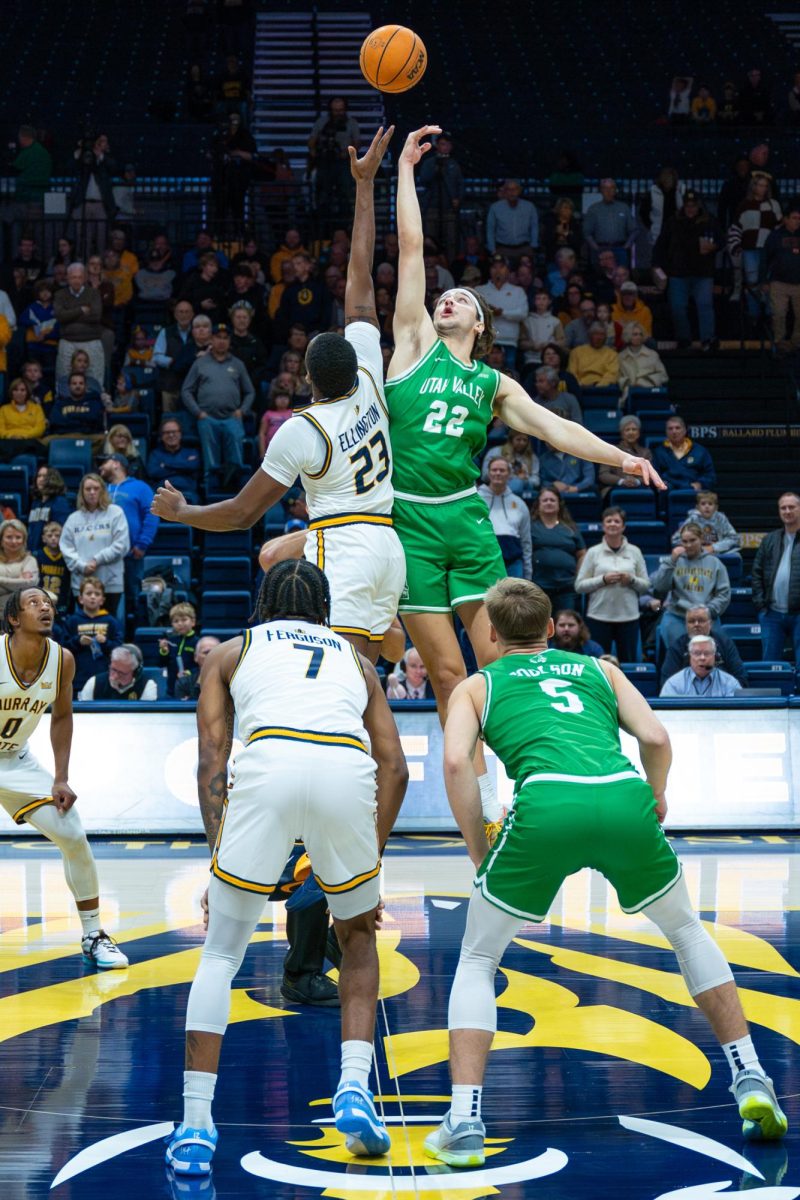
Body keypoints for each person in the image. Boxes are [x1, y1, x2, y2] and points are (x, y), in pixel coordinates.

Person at [425, 577, 787, 1167]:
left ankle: (464, 1119)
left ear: (491, 633)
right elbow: (657, 737)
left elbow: (454, 762)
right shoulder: (602, 669)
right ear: (549, 628)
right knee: (688, 932)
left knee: (477, 957)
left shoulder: (476, 685)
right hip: (622, 795)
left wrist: (476, 846)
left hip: (547, 805)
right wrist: (658, 794)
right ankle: (750, 1075)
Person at [384, 126, 661, 831]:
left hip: (466, 519)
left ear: (481, 323)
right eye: (443, 296)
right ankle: (480, 819)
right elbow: (411, 250)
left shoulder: (493, 382)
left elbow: (557, 428)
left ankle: (523, 785)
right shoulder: (411, 346)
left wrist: (622, 458)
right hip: (410, 520)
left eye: (462, 300)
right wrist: (406, 172)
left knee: (499, 668)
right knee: (448, 679)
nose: (447, 299)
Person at [164, 561, 408, 1175]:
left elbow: (212, 761)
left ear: (262, 604)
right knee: (356, 939)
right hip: (344, 769)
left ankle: (196, 1127)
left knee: (222, 951)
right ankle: (356, 1088)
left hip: (269, 761)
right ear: (324, 608)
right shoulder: (358, 661)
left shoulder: (230, 652)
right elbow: (395, 767)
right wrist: (367, 865)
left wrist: (218, 848)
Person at [154, 128, 406, 664]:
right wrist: (365, 188)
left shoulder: (302, 429)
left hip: (347, 548)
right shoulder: (370, 377)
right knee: (362, 661)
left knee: (350, 679)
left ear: (307, 380)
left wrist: (181, 512)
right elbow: (359, 284)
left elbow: (241, 514)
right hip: (386, 542)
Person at [0, 587, 128, 967]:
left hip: (16, 760)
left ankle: (93, 935)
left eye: (49, 604)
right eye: (34, 603)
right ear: (13, 618)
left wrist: (60, 777)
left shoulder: (63, 660)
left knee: (72, 834)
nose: (45, 608)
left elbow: (61, 716)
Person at [181, 322, 255, 488]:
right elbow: (186, 390)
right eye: (218, 337)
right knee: (210, 460)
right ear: (211, 339)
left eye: (225, 338)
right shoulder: (200, 363)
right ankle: (211, 489)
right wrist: (198, 412)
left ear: (229, 341)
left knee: (236, 456)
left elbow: (250, 392)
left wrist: (242, 411)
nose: (221, 341)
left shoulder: (237, 364)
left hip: (232, 418)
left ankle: (236, 489)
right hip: (207, 418)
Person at [574, 506, 649, 660]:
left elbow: (646, 585)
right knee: (599, 663)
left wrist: (631, 580)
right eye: (609, 521)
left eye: (617, 521)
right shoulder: (593, 552)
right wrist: (603, 580)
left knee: (627, 664)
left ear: (623, 526)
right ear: (603, 526)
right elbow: (579, 586)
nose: (613, 524)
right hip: (598, 617)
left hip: (628, 618)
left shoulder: (635, 551)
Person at [653, 191, 721, 349]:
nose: (690, 209)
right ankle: (684, 339)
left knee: (704, 306)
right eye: (687, 205)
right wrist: (656, 264)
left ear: (699, 206)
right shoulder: (673, 221)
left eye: (693, 206)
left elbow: (721, 240)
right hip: (678, 272)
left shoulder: (709, 221)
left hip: (703, 272)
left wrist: (713, 246)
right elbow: (661, 244)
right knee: (677, 307)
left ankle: (707, 339)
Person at [99, 453, 159, 630]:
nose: (101, 467)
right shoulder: (100, 489)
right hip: (105, 556)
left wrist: (142, 543)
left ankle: (136, 637)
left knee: (134, 597)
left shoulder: (140, 487)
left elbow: (152, 513)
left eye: (105, 462)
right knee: (105, 598)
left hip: (131, 554)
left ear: (117, 464)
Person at [652, 522, 731, 651]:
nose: (688, 545)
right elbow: (660, 587)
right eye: (684, 541)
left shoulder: (715, 563)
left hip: (706, 616)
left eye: (692, 540)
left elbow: (724, 594)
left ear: (701, 539)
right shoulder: (673, 561)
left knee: (707, 656)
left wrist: (708, 611)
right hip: (678, 616)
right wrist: (671, 562)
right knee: (678, 657)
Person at [60, 473, 130, 614]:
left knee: (108, 628)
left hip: (110, 583)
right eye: (88, 489)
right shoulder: (73, 518)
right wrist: (82, 565)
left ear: (103, 490)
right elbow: (66, 547)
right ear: (82, 492)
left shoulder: (116, 513)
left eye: (96, 488)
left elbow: (122, 545)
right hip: (81, 583)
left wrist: (97, 560)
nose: (92, 492)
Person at [751, 491, 800, 667]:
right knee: (769, 666)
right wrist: (761, 605)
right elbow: (756, 573)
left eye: (792, 507)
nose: (787, 511)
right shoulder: (770, 540)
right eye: (783, 508)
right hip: (772, 613)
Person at [728, 176, 782, 321]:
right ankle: (754, 314)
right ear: (753, 186)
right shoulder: (744, 205)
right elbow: (736, 228)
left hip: (767, 250)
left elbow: (778, 228)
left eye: (765, 186)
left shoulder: (773, 204)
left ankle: (769, 314)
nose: (763, 189)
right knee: (752, 282)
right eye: (760, 185)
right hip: (749, 249)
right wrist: (736, 246)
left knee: (768, 282)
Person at [660, 605, 748, 689]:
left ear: (710, 623)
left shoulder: (724, 643)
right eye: (691, 621)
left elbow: (740, 678)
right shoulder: (677, 647)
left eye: (701, 620)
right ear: (686, 625)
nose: (696, 624)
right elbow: (666, 682)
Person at [62, 576, 123, 693]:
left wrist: (105, 642)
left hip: (105, 678)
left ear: (102, 600)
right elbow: (62, 649)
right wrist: (78, 641)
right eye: (89, 593)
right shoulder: (72, 621)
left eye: (97, 594)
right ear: (80, 599)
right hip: (78, 679)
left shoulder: (111, 621)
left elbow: (119, 650)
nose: (93, 597)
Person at [308, 97, 361, 230]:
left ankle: (345, 225)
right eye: (335, 110)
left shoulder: (351, 123)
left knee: (345, 194)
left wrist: (347, 153)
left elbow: (357, 142)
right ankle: (322, 225)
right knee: (323, 195)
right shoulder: (322, 122)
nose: (338, 113)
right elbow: (312, 141)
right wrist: (315, 153)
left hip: (343, 163)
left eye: (341, 110)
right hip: (325, 162)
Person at [529, 487, 585, 611]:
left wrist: (578, 576)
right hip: (539, 587)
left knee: (565, 625)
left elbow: (582, 553)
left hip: (566, 588)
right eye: (545, 500)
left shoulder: (570, 528)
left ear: (559, 504)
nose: (549, 502)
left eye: (552, 500)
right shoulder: (530, 527)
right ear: (538, 504)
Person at [477, 458, 532, 579]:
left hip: (513, 564)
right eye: (494, 470)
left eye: (502, 470)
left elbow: (526, 541)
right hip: (483, 562)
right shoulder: (476, 501)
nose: (498, 473)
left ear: (509, 474)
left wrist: (528, 573)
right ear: (488, 473)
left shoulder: (519, 504)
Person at [53, 263, 105, 385]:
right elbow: (60, 316)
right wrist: (81, 310)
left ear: (85, 278)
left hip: (91, 340)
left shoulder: (94, 294)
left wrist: (69, 314)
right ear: (67, 278)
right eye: (73, 277)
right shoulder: (60, 295)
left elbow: (96, 316)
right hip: (68, 341)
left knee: (95, 379)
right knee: (63, 379)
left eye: (79, 277)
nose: (76, 280)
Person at [760, 201, 800, 354]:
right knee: (778, 315)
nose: (798, 221)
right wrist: (764, 280)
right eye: (795, 218)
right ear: (786, 219)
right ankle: (779, 342)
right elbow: (765, 259)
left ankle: (797, 343)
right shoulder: (775, 236)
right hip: (779, 282)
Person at [418, 131, 464, 262]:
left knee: (451, 240)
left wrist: (458, 199)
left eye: (448, 144)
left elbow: (460, 183)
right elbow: (424, 180)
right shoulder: (429, 163)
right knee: (431, 239)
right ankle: (430, 264)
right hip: (432, 207)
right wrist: (435, 170)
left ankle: (449, 265)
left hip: (449, 208)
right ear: (437, 145)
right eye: (443, 144)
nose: (445, 147)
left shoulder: (454, 164)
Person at [476, 255, 529, 359]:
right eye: (494, 267)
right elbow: (473, 313)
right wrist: (489, 312)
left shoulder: (517, 291)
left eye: (501, 267)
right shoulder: (480, 290)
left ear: (508, 270)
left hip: (509, 341)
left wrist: (502, 313)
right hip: (486, 341)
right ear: (490, 270)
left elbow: (523, 313)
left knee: (508, 373)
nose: (498, 270)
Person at [670, 491, 741, 562]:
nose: (707, 507)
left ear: (716, 507)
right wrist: (694, 546)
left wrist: (714, 547)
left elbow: (734, 539)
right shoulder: (692, 519)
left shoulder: (721, 519)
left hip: (717, 553)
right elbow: (675, 539)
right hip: (696, 554)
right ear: (697, 507)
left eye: (710, 504)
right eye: (703, 504)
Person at [660, 636, 740, 697]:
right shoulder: (674, 684)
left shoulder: (730, 683)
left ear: (715, 656)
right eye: (697, 653)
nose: (702, 658)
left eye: (707, 653)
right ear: (690, 656)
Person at [152, 300, 196, 411]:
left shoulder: (198, 333)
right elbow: (156, 357)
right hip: (170, 386)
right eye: (180, 312)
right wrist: (173, 362)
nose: (184, 315)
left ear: (192, 315)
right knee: (169, 420)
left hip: (193, 387)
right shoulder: (165, 332)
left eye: (187, 312)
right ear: (175, 315)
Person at [653, 415, 716, 492]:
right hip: (668, 491)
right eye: (670, 428)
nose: (674, 431)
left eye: (677, 428)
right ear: (666, 432)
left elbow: (710, 475)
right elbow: (654, 474)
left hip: (693, 491)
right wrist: (660, 483)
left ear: (685, 430)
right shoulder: (659, 452)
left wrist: (700, 483)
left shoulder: (700, 451)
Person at [146, 419, 201, 503]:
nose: (171, 435)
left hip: (187, 493)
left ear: (180, 434)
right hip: (163, 494)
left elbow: (193, 466)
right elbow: (153, 472)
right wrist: (183, 469)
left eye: (174, 431)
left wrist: (165, 465)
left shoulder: (191, 452)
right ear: (161, 436)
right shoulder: (155, 454)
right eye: (167, 432)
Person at [582, 179, 635, 266]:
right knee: (601, 277)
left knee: (621, 277)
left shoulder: (624, 208)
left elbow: (634, 230)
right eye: (605, 188)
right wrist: (596, 248)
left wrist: (626, 246)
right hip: (600, 248)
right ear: (601, 190)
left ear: (615, 190)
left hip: (620, 249)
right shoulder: (593, 209)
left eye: (611, 188)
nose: (608, 191)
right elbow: (586, 232)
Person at [79, 642, 157, 700]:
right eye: (113, 669)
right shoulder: (94, 683)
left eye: (122, 673)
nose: (114, 676)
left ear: (136, 672)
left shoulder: (147, 686)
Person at [485, 179, 538, 261]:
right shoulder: (495, 207)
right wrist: (492, 249)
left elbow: (534, 227)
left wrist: (533, 246)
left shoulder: (529, 207)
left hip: (524, 248)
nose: (512, 192)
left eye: (515, 189)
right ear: (505, 192)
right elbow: (490, 229)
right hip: (503, 248)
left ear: (519, 191)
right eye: (509, 189)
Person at [481, 430, 540, 499]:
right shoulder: (495, 452)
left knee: (519, 483)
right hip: (498, 485)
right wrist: (507, 476)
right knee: (517, 482)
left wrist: (526, 478)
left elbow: (536, 481)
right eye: (518, 439)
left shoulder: (532, 457)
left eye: (525, 440)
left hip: (526, 487)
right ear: (511, 440)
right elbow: (485, 475)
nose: (522, 443)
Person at [0, 376, 46, 461]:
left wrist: (23, 436)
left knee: (33, 445)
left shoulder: (36, 408)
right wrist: (11, 436)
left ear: (27, 392)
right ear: (11, 392)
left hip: (29, 441)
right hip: (9, 441)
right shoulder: (3, 409)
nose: (19, 393)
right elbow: (1, 429)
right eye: (16, 390)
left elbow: (40, 428)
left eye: (22, 390)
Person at [158, 601, 199, 697]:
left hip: (190, 686)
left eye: (184, 620)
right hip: (171, 687)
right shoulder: (171, 641)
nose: (180, 624)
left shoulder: (198, 642)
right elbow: (162, 664)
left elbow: (202, 666)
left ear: (193, 622)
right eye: (176, 621)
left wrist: (190, 672)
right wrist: (163, 652)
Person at [618, 323, 669, 397]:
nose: (638, 337)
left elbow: (664, 376)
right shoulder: (621, 357)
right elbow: (618, 378)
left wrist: (643, 382)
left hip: (650, 394)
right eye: (635, 334)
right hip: (629, 395)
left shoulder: (652, 355)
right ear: (628, 336)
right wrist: (631, 385)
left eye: (640, 334)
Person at [28, 468, 71, 554]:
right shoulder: (35, 503)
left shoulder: (60, 502)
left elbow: (61, 530)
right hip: (33, 552)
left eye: (45, 476)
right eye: (39, 476)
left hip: (50, 555)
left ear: (53, 479)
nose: (41, 479)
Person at [0, 519, 39, 614]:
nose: (14, 541)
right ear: (1, 540)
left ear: (24, 540)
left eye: (18, 537)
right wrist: (18, 583)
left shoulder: (29, 560)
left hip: (21, 617)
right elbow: (23, 586)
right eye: (9, 537)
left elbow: (30, 585)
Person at [519, 292, 565, 370]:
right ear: (534, 301)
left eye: (544, 299)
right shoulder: (527, 320)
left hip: (550, 361)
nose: (541, 301)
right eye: (538, 298)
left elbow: (562, 341)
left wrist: (549, 345)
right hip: (531, 360)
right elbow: (521, 343)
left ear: (549, 301)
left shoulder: (555, 321)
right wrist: (533, 345)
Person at [567, 322, 619, 387]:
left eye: (602, 334)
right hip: (579, 388)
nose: (599, 337)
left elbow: (612, 375)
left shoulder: (612, 354)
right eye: (596, 334)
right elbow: (572, 373)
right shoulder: (576, 352)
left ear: (605, 337)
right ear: (589, 335)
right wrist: (579, 385)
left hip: (603, 389)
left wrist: (598, 386)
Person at [36, 521, 70, 615]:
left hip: (61, 601)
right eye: (50, 535)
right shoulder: (37, 556)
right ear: (43, 538)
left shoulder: (66, 557)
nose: (54, 538)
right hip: (41, 600)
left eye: (57, 535)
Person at [174, 635, 220, 700]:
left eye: (215, 652)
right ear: (196, 657)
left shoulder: (231, 682)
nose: (211, 656)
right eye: (206, 652)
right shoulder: (183, 683)